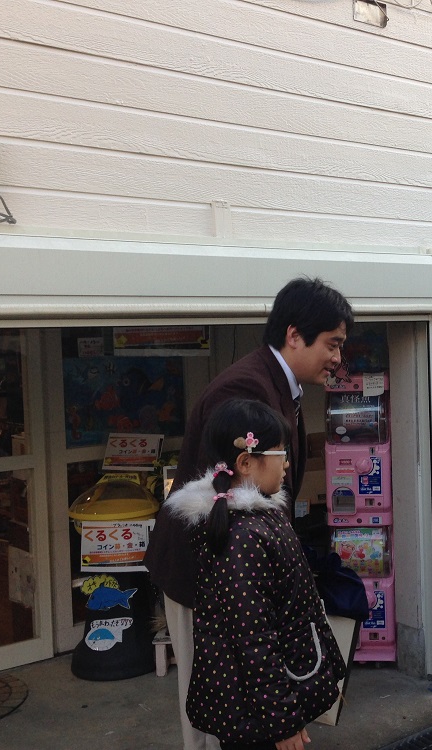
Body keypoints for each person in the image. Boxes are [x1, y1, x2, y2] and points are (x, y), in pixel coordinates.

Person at [144, 277, 353, 750]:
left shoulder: (277, 382)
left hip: (235, 574)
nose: (338, 357)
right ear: (295, 335)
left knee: (234, 699)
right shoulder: (245, 387)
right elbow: (224, 496)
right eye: (332, 344)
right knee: (218, 707)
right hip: (211, 577)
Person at [162, 398, 347, 750]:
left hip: (263, 705)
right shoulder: (243, 536)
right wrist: (283, 722)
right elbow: (254, 641)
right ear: (246, 462)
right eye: (281, 454)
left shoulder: (259, 518)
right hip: (257, 713)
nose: (287, 463)